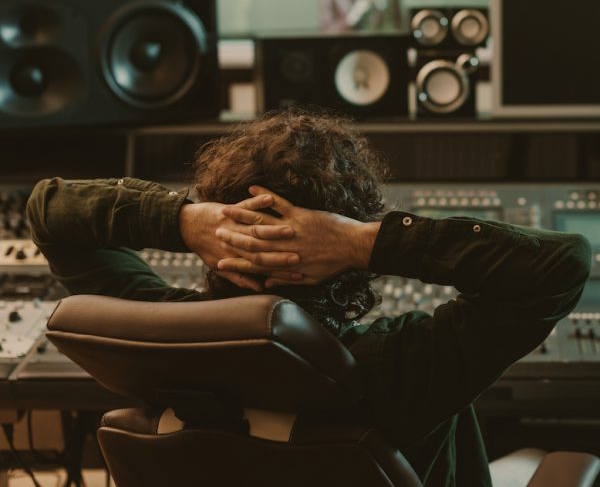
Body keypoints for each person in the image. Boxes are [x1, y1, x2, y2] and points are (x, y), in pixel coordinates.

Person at [27, 109, 590, 487]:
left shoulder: (155, 337)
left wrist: (178, 220)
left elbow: (49, 212)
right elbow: (560, 264)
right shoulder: (404, 365)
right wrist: (362, 241)